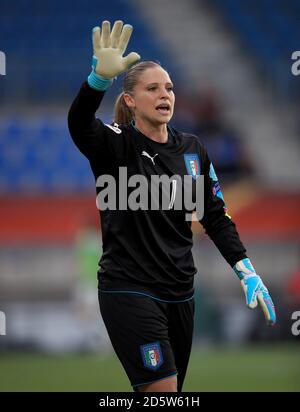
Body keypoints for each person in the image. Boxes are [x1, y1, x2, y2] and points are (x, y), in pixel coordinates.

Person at [68, 20, 276, 392]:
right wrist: (98, 80)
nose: (165, 94)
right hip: (128, 289)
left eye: (169, 88)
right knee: (161, 391)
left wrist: (246, 270)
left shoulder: (193, 149)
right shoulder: (115, 144)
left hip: (181, 293)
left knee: (170, 394)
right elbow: (79, 124)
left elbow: (215, 215)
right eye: (153, 88)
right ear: (130, 100)